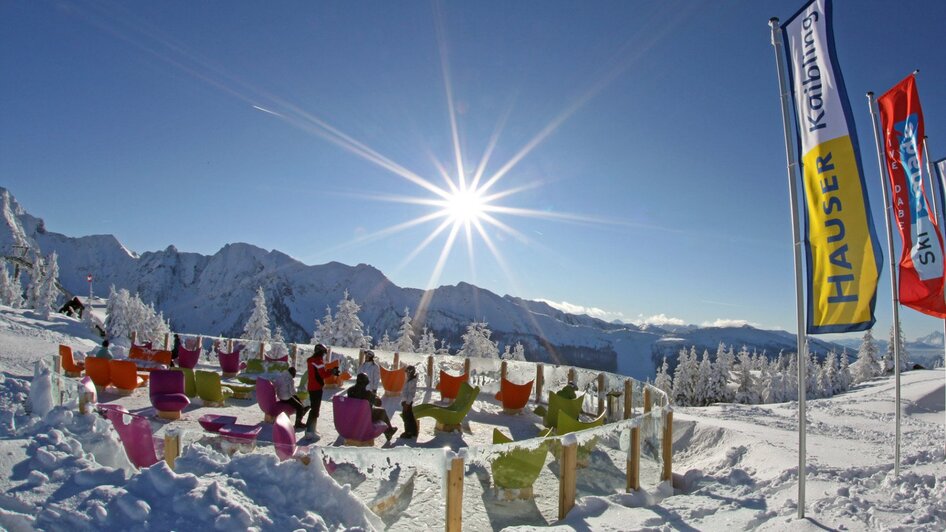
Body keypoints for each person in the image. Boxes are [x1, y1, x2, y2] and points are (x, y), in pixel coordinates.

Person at [347, 373, 397, 442]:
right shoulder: (368, 394)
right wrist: (375, 396)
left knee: (377, 411)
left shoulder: (350, 391)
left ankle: (389, 431)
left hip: (353, 416)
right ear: (366, 383)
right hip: (364, 419)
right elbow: (379, 403)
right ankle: (389, 431)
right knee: (382, 411)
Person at [304, 344, 339, 439]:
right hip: (316, 388)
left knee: (314, 408)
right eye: (323, 353)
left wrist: (330, 371)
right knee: (315, 410)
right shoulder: (318, 361)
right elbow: (323, 375)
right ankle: (310, 432)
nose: (324, 355)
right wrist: (332, 372)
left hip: (311, 387)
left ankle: (311, 429)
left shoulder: (311, 360)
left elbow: (319, 373)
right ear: (320, 352)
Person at [399, 365, 418, 439]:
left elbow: (411, 393)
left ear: (410, 372)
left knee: (407, 417)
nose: (406, 374)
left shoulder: (412, 382)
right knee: (409, 416)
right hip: (406, 401)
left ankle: (408, 432)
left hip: (407, 402)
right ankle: (413, 431)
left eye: (407, 372)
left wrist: (407, 403)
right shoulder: (409, 380)